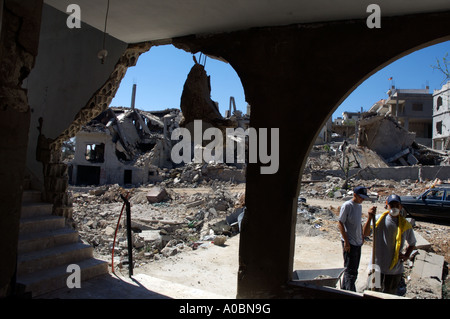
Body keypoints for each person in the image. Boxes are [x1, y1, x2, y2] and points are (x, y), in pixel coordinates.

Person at [363, 194, 416, 295]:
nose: (394, 208)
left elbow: (412, 243)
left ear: (401, 207)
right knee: (373, 294)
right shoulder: (378, 219)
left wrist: (406, 256)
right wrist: (369, 218)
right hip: (377, 266)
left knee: (389, 295)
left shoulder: (405, 225)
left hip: (394, 270)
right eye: (392, 205)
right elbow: (365, 233)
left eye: (397, 205)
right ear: (387, 205)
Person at [338, 186, 376, 291]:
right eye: (361, 197)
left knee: (353, 269)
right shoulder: (347, 206)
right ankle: (350, 292)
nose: (362, 199)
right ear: (354, 195)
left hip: (357, 242)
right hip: (349, 242)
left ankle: (344, 290)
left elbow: (358, 222)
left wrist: (362, 236)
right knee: (350, 271)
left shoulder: (359, 206)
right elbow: (340, 223)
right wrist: (346, 242)